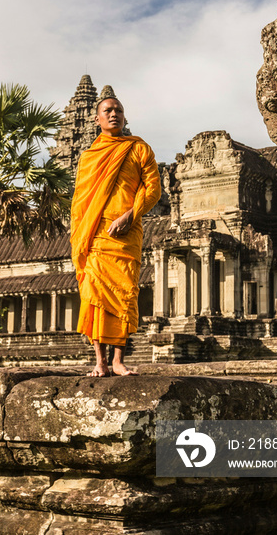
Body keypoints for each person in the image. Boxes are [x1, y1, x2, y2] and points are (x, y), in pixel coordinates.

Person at [71, 97, 161, 377]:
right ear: (96, 119)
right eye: (107, 111)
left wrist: (130, 215)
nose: (114, 115)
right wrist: (81, 235)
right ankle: (99, 362)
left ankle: (118, 360)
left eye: (118, 111)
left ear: (125, 117)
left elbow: (153, 190)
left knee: (125, 296)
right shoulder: (88, 158)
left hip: (126, 233)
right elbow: (80, 204)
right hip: (96, 236)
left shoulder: (138, 148)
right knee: (94, 298)